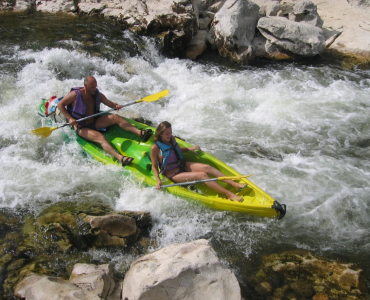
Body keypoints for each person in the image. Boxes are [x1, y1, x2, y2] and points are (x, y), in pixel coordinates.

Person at [57, 76, 152, 166]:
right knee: (100, 137)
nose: (94, 89)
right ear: (85, 86)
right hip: (81, 127)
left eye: (95, 86)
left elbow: (110, 104)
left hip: (95, 122)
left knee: (115, 117)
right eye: (92, 87)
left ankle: (141, 133)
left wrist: (116, 106)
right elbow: (60, 105)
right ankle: (121, 158)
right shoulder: (75, 95)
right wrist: (70, 118)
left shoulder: (97, 94)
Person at [150, 121, 247, 202]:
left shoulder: (171, 139)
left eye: (170, 132)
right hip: (174, 174)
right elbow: (154, 166)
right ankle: (229, 194)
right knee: (202, 175)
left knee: (207, 167)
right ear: (160, 133)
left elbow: (176, 150)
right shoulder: (155, 148)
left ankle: (234, 185)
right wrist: (158, 181)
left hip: (182, 165)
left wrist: (189, 148)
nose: (169, 135)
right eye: (167, 133)